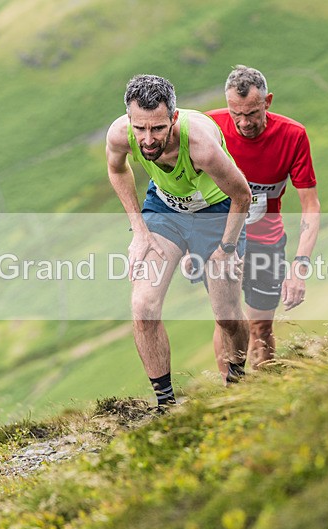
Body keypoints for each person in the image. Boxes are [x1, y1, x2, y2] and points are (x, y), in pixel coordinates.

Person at [105, 74, 251, 407]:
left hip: (217, 212)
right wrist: (139, 230)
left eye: (157, 128)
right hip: (166, 208)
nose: (147, 139)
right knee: (143, 307)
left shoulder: (200, 144)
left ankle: (239, 384)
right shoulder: (120, 133)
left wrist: (226, 249)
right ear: (129, 120)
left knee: (226, 314)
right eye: (140, 128)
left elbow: (243, 196)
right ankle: (165, 405)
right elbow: (117, 169)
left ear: (173, 117)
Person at [206, 65, 320, 374]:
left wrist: (299, 268)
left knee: (261, 328)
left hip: (266, 240)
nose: (243, 123)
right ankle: (230, 392)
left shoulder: (292, 135)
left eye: (252, 113)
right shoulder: (210, 126)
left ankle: (265, 388)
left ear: (267, 101)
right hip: (222, 241)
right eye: (236, 113)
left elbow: (310, 205)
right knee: (226, 319)